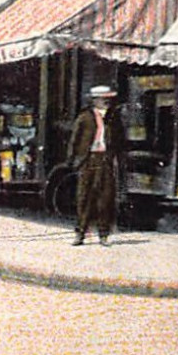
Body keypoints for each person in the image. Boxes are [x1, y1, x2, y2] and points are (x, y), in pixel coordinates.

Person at [67, 85, 125, 246]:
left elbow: (120, 139)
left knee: (105, 197)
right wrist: (73, 160)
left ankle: (104, 234)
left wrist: (118, 158)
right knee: (84, 197)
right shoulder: (85, 117)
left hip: (105, 159)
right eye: (102, 98)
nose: (106, 101)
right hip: (88, 159)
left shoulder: (114, 117)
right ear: (94, 100)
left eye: (108, 98)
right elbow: (75, 139)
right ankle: (80, 233)